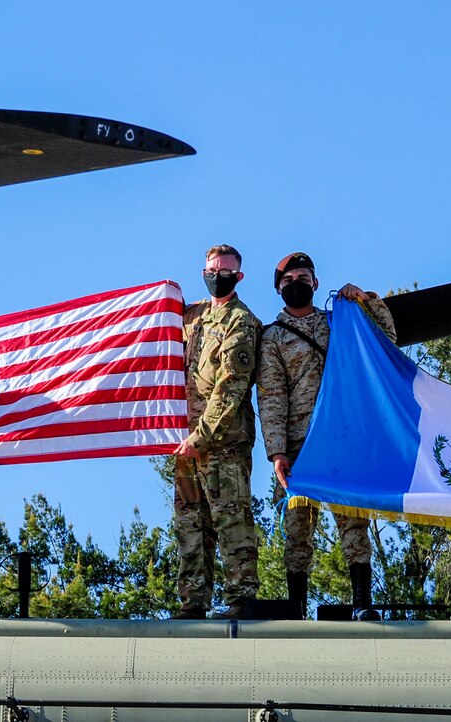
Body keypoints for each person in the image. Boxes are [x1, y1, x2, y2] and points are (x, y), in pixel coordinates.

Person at [257, 252, 396, 620]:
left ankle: (362, 603)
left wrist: (366, 300)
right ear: (278, 290)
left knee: (354, 521)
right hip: (299, 444)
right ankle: (296, 608)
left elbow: (387, 338)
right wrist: (277, 453)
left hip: (342, 438)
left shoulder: (341, 322)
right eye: (287, 281)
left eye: (302, 277)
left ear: (316, 283)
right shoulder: (272, 338)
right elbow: (272, 397)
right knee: (297, 527)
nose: (296, 284)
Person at [171, 244, 262, 620]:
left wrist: (202, 436)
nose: (217, 275)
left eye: (225, 270)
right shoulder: (192, 317)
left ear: (238, 277)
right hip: (185, 443)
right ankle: (193, 600)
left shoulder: (242, 321)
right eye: (211, 269)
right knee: (190, 522)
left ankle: (241, 597)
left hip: (222, 443)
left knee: (230, 520)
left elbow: (231, 386)